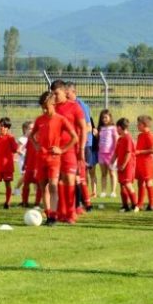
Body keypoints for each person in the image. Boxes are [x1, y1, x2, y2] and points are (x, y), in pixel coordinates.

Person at [29, 91, 77, 226]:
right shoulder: (39, 120)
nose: (44, 110)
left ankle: (54, 216)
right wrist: (36, 145)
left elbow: (75, 137)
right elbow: (31, 136)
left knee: (53, 186)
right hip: (41, 158)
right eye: (42, 107)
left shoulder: (61, 119)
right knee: (43, 187)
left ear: (53, 104)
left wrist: (61, 150)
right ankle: (49, 214)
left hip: (54, 159)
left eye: (46, 107)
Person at [51, 80, 87, 224]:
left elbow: (83, 128)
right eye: (52, 94)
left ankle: (71, 213)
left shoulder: (74, 107)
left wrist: (82, 148)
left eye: (56, 93)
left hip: (70, 148)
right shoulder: (52, 107)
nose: (54, 96)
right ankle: (61, 212)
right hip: (54, 150)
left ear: (65, 92)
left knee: (70, 179)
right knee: (57, 180)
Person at [66, 81, 93, 213]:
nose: (65, 95)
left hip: (83, 144)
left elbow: (88, 126)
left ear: (74, 92)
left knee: (80, 175)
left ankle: (84, 203)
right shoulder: (66, 105)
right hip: (71, 145)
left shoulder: (80, 105)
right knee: (74, 176)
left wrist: (75, 136)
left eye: (67, 93)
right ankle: (79, 203)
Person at [0, 117, 19, 209]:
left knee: (7, 183)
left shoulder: (10, 138)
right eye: (0, 126)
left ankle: (7, 203)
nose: (2, 128)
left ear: (8, 128)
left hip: (7, 166)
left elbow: (15, 149)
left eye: (4, 126)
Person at [111, 118, 137, 212]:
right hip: (120, 165)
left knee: (127, 184)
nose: (116, 130)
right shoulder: (120, 139)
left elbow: (128, 153)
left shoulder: (127, 138)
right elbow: (116, 152)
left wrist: (123, 165)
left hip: (128, 166)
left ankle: (135, 205)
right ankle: (125, 206)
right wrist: (112, 161)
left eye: (116, 128)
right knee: (122, 185)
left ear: (119, 127)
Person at [135, 115, 153, 211]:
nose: (137, 126)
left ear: (144, 125)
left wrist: (139, 152)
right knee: (140, 183)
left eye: (138, 124)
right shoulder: (140, 135)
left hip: (147, 163)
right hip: (139, 162)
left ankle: (151, 204)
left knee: (148, 182)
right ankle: (140, 204)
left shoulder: (149, 135)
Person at [97, 109, 118, 199]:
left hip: (111, 154)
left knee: (112, 173)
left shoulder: (113, 128)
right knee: (103, 173)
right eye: (102, 118)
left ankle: (113, 191)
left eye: (105, 117)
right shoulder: (101, 128)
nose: (104, 119)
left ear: (110, 117)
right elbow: (99, 139)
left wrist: (115, 153)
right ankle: (103, 191)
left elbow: (116, 140)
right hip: (101, 153)